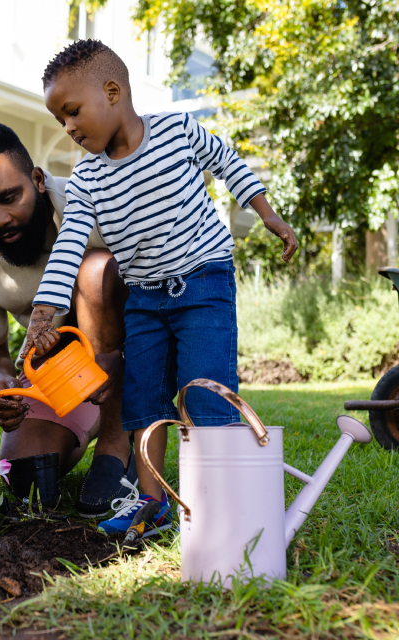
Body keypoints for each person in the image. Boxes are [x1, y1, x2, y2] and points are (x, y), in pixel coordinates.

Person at [21, 40, 298, 535]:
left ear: (112, 91)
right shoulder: (85, 179)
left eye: (73, 112)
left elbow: (227, 160)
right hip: (145, 299)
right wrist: (45, 309)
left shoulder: (175, 130)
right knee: (143, 399)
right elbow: (69, 247)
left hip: (204, 281)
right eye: (61, 120)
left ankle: (216, 504)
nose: (69, 128)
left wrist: (267, 214)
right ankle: (152, 504)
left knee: (204, 396)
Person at [0, 123, 138, 518]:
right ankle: (88, 421)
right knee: (27, 478)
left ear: (36, 180)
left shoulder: (93, 204)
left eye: (8, 198)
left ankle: (118, 444)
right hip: (63, 369)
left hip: (136, 352)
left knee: (94, 271)